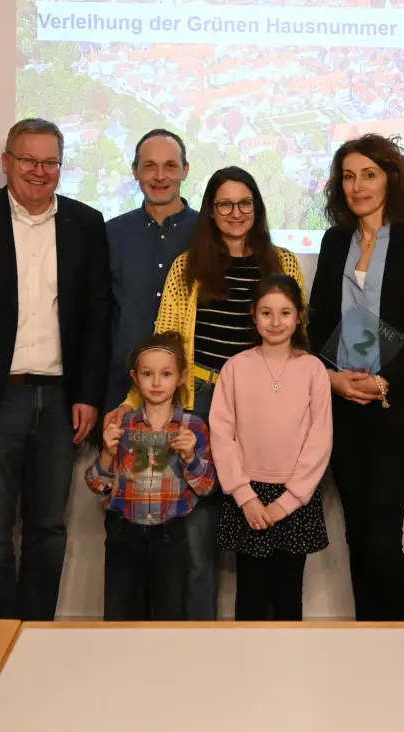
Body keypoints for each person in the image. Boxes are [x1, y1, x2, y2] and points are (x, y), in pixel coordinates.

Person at [103, 165, 305, 620]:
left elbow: (298, 338)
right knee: (196, 534)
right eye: (225, 204)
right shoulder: (187, 266)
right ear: (211, 211)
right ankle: (197, 640)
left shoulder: (284, 262)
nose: (236, 213)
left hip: (264, 407)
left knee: (262, 530)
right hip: (200, 403)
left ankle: (263, 641)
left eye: (245, 202)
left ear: (258, 206)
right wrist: (129, 404)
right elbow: (166, 343)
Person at [0, 117, 111, 621]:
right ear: (6, 162)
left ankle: (36, 636)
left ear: (61, 166)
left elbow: (98, 315)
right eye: (29, 160)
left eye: (50, 161)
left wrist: (90, 394)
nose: (39, 171)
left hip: (61, 401)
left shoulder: (85, 222)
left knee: (48, 529)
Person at [308, 134, 404, 622]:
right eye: (348, 176)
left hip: (395, 405)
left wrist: (385, 381)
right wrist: (334, 379)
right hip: (341, 404)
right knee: (355, 534)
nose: (357, 185)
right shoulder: (333, 240)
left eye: (369, 174)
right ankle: (368, 640)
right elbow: (319, 321)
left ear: (391, 178)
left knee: (383, 537)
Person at [210, 274, 333, 621]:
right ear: (253, 315)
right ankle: (244, 668)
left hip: (295, 498)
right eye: (266, 313)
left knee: (287, 594)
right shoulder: (236, 367)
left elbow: (319, 439)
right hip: (247, 495)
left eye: (285, 313)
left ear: (299, 317)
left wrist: (289, 501)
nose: (276, 322)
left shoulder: (313, 369)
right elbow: (222, 434)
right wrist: (245, 496)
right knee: (250, 594)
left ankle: (287, 670)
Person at [88, 332, 215, 621]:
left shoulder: (192, 427)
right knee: (120, 620)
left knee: (169, 621)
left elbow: (208, 487)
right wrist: (107, 453)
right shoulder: (123, 425)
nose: (157, 382)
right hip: (124, 536)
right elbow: (97, 485)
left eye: (166, 373)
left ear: (181, 377)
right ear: (135, 377)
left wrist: (191, 458)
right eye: (148, 374)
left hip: (171, 538)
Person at [105, 129, 196, 413]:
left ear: (185, 171)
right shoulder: (109, 234)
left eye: (170, 166)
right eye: (149, 166)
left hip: (191, 398)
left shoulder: (210, 234)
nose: (159, 176)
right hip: (119, 393)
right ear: (135, 171)